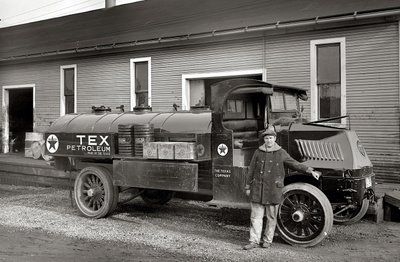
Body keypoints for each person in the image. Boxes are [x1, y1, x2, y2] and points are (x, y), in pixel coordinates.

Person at [243, 128, 320, 250]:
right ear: (264, 140)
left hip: (273, 190)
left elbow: (294, 163)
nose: (269, 140)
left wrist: (310, 171)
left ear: (275, 139)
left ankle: (267, 241)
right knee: (255, 217)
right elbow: (251, 170)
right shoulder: (258, 152)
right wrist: (247, 186)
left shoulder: (281, 152)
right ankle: (254, 241)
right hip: (258, 190)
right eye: (266, 138)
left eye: (271, 138)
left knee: (271, 218)